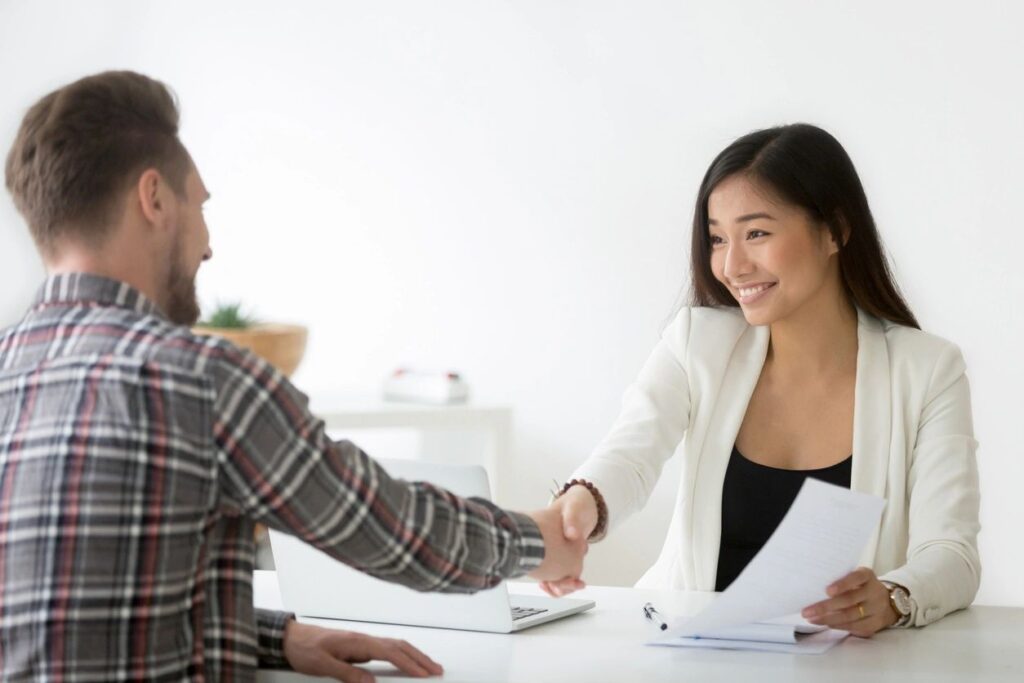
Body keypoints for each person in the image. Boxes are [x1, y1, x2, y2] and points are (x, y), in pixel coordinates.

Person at [0, 71, 586, 682]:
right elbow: (386, 525)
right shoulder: (200, 380)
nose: (207, 244)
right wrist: (540, 541)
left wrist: (280, 637)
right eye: (199, 204)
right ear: (153, 199)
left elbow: (70, 613)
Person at [543, 123, 980, 637]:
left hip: (844, 664)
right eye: (717, 238)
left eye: (757, 233)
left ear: (835, 230)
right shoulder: (697, 343)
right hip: (690, 654)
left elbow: (951, 554)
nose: (732, 265)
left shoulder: (927, 370)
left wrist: (893, 596)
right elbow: (630, 455)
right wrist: (581, 503)